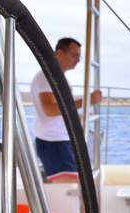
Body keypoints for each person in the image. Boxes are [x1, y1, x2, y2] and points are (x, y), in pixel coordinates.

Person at [30, 37, 102, 183]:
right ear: (60, 53)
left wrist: (76, 116)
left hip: (61, 140)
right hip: (53, 142)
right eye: (75, 55)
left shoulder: (60, 79)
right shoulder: (46, 77)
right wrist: (87, 101)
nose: (78, 60)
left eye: (79, 56)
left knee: (78, 189)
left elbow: (58, 110)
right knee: (72, 190)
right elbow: (49, 110)